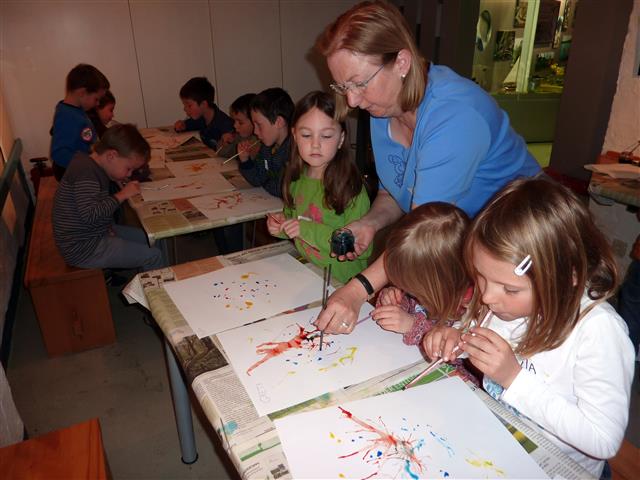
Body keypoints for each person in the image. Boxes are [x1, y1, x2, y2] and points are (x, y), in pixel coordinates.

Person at [315, 0, 540, 334]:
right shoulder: (383, 107)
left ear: (401, 62)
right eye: (343, 87)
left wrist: (357, 290)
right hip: (461, 250)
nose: (352, 101)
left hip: (517, 255)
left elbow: (424, 231)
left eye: (359, 83)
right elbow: (395, 192)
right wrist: (369, 223)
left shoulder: (455, 117)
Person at [423, 178, 635, 478]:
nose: (487, 296)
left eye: (510, 289)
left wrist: (514, 379)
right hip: (503, 444)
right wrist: (455, 335)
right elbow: (474, 329)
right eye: (480, 276)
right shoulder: (504, 303)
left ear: (568, 277)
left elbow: (603, 440)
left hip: (559, 469)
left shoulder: (598, 331)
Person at [266, 91, 371, 283]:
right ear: (294, 136)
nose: (315, 144)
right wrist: (281, 225)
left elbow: (361, 249)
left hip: (342, 284)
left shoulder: (351, 189)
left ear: (341, 139)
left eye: (326, 136)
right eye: (306, 135)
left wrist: (304, 229)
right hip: (308, 273)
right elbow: (293, 219)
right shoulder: (296, 180)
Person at [372, 202, 477, 384]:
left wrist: (412, 325)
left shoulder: (474, 308)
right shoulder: (432, 289)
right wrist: (395, 300)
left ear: (438, 282)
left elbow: (455, 357)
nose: (408, 291)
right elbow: (412, 304)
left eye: (412, 287)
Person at [53, 124, 165, 272]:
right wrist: (122, 194)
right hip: (84, 248)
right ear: (111, 156)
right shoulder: (86, 173)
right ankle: (156, 284)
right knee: (153, 256)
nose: (129, 174)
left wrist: (106, 226)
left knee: (154, 238)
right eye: (128, 168)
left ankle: (156, 275)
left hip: (95, 234)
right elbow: (90, 214)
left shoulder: (93, 166)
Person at [50, 63, 110, 181]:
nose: (98, 103)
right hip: (73, 175)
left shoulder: (76, 110)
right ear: (82, 93)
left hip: (84, 168)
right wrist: (90, 162)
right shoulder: (67, 116)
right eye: (96, 99)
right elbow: (59, 154)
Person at [238, 87, 294, 198]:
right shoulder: (267, 147)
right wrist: (245, 161)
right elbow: (257, 179)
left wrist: (265, 182)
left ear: (279, 122)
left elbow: (283, 190)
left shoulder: (293, 152)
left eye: (259, 125)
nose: (255, 131)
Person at [173, 77, 234, 149]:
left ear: (203, 104)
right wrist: (182, 126)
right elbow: (187, 125)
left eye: (189, 105)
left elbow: (232, 149)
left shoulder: (225, 124)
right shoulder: (200, 119)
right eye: (184, 105)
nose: (185, 109)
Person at [217, 93, 260, 159]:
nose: (235, 125)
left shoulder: (260, 142)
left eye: (240, 122)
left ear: (255, 121)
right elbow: (220, 154)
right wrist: (226, 143)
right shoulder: (237, 136)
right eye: (234, 121)